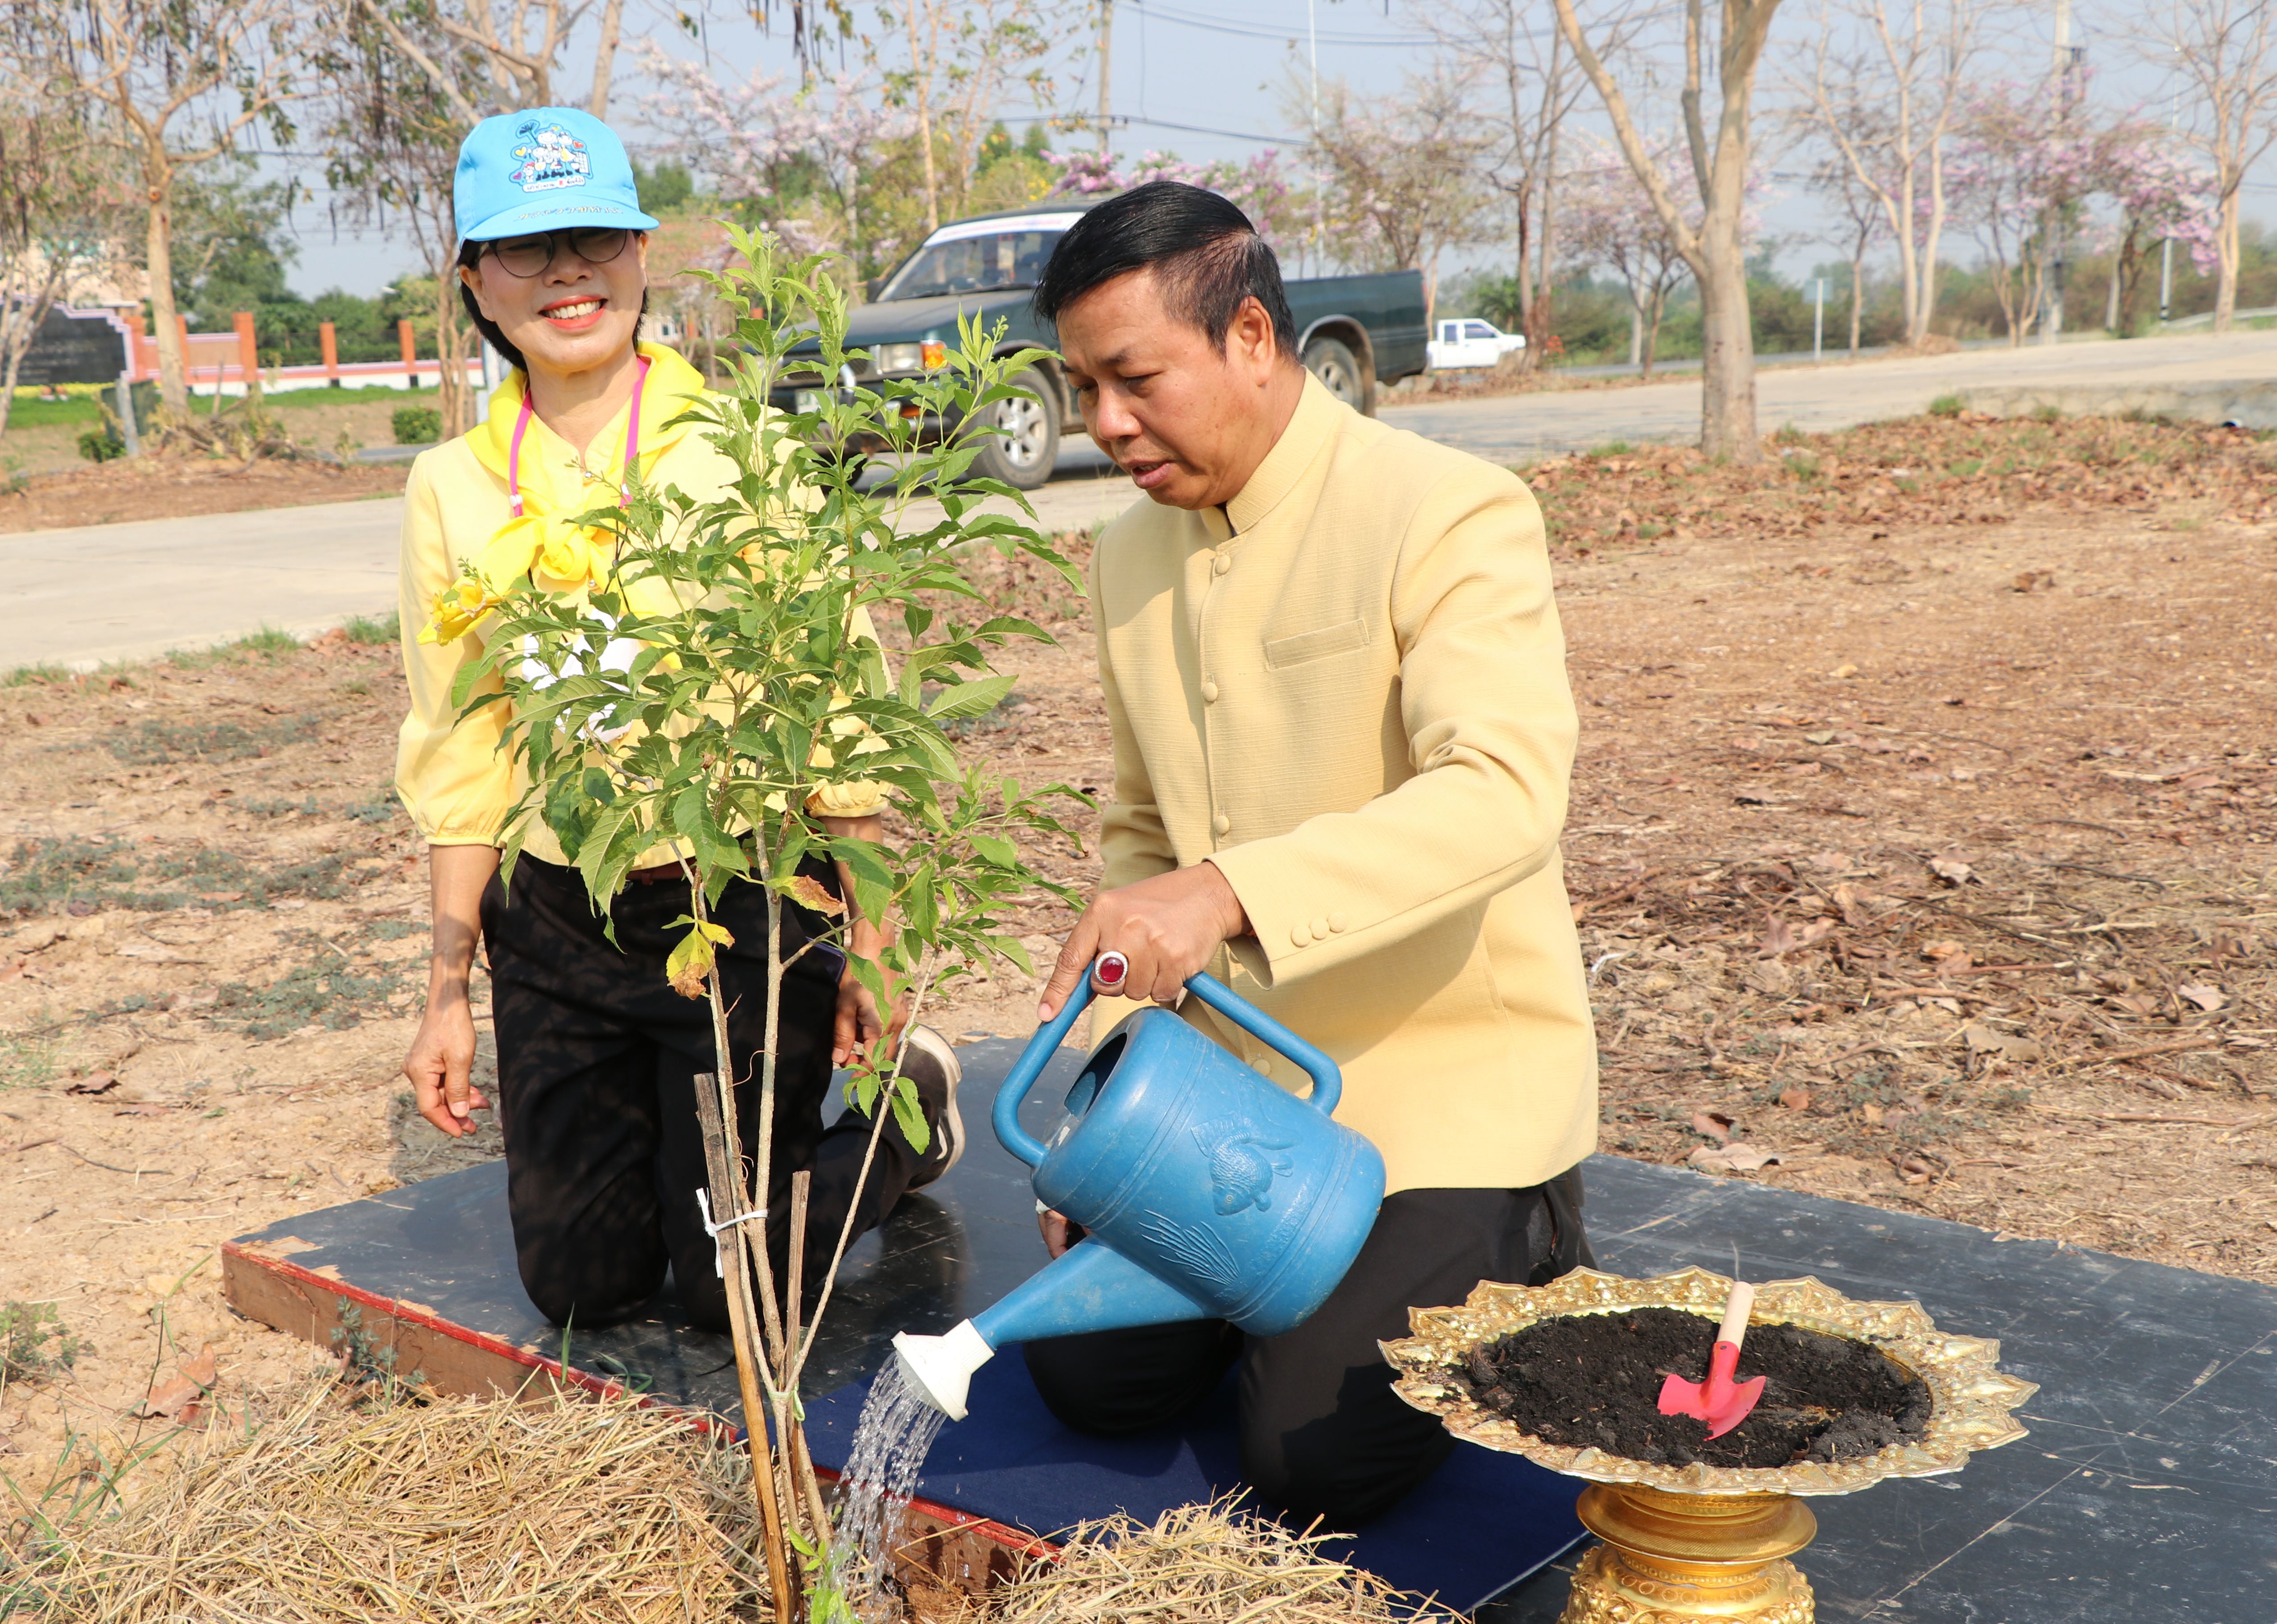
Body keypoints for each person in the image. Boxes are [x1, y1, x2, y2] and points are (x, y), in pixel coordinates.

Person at [1022, 182, 1598, 1527]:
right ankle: (1287, 1296)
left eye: (1136, 380)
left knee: (1312, 1461)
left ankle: (1534, 1233)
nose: (1106, 424)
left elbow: (1506, 789)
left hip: (1444, 1103)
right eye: (1082, 387)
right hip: (1232, 1105)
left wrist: (1225, 894)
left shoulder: (1447, 511)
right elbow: (1142, 833)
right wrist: (1116, 1105)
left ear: (1253, 338)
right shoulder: (1126, 556)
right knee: (1092, 1383)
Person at [392, 105, 963, 1338]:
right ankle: (664, 1146)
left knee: (731, 1299)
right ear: (475, 284)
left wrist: (868, 934)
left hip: (747, 900)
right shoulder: (449, 488)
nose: (567, 276)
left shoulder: (743, 449)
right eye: (527, 250)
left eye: (593, 238)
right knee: (583, 1287)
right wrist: (447, 988)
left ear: (643, 256)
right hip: (562, 916)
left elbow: (837, 704)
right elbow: (461, 743)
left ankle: (900, 1125)